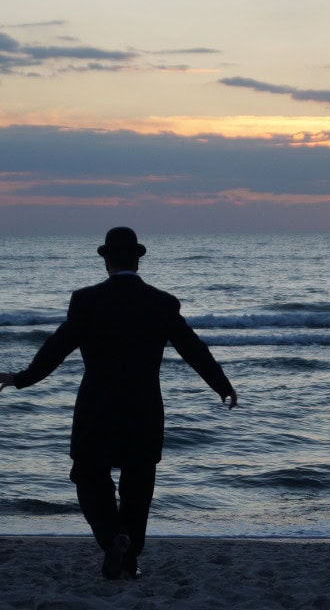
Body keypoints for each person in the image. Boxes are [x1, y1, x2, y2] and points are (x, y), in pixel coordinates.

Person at [0, 227, 237, 580]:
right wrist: (222, 385)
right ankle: (128, 554)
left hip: (97, 409)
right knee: (138, 486)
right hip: (144, 411)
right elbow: (193, 349)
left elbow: (57, 347)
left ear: (106, 261)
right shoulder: (161, 302)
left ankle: (114, 539)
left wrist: (20, 378)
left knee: (89, 478)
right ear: (138, 261)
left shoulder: (86, 300)